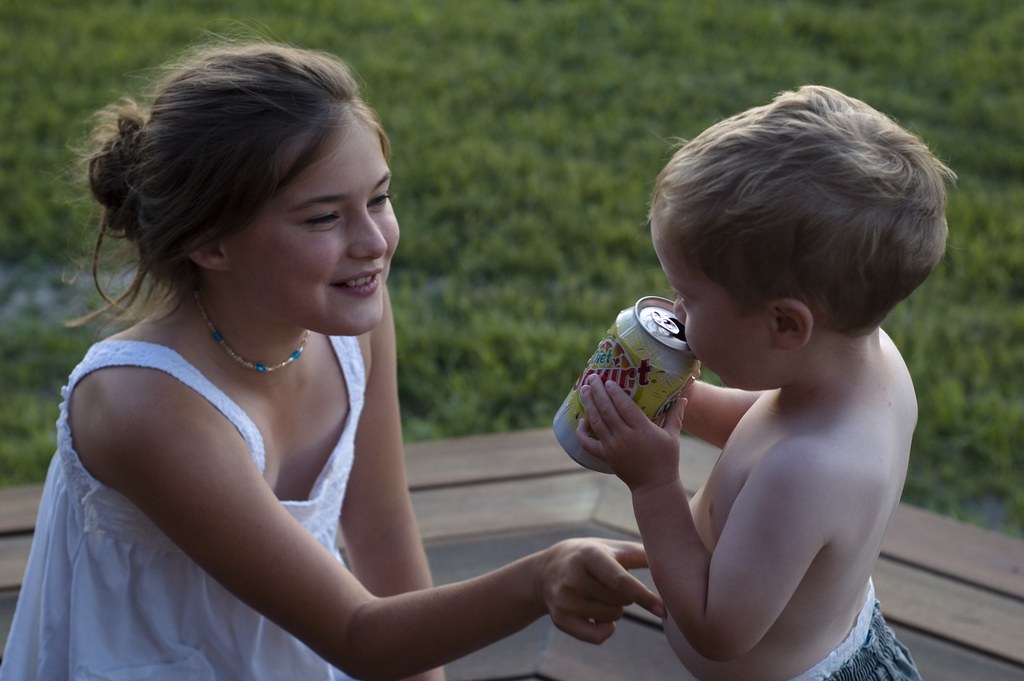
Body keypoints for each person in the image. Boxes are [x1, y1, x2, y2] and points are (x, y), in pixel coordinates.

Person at [0, 40, 664, 681]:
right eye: (324, 218)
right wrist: (538, 576)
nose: (373, 242)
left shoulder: (348, 320)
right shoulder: (145, 404)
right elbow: (358, 635)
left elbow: (379, 531)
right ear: (210, 242)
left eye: (378, 197)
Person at [574, 85, 954, 680]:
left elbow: (715, 627)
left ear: (784, 324)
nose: (675, 306)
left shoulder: (810, 473)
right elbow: (765, 421)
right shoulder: (865, 364)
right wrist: (685, 401)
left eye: (691, 297)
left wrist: (653, 485)